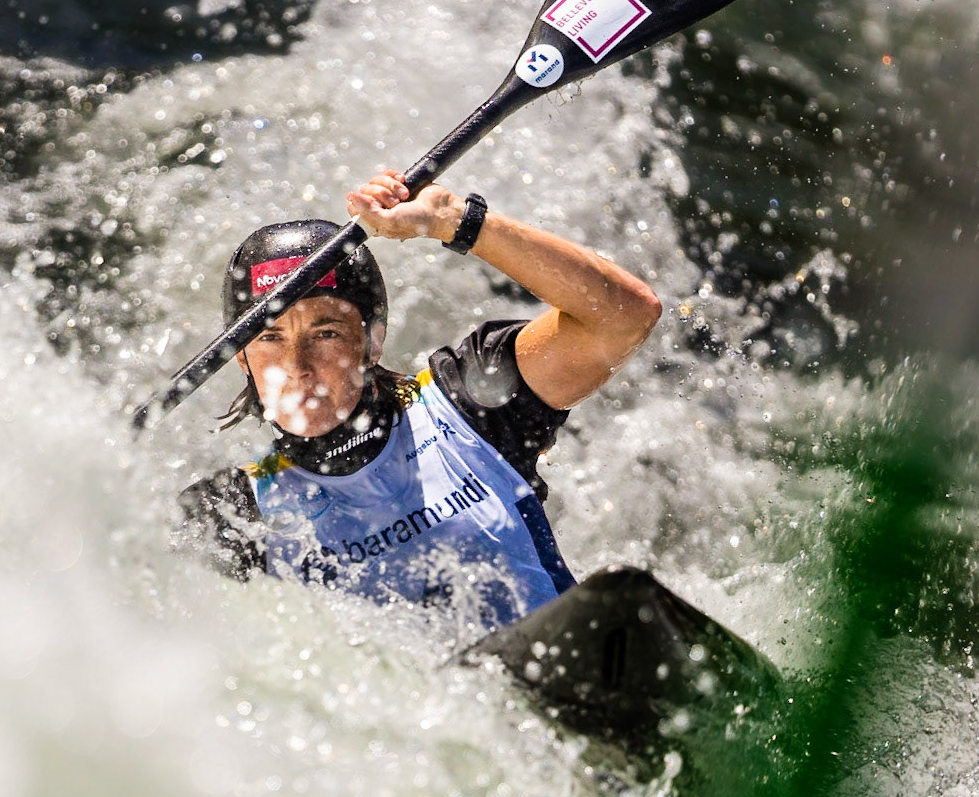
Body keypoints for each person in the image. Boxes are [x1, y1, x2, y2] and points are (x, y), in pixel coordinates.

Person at [178, 169, 662, 634]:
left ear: (372, 341)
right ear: (241, 357)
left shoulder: (470, 404)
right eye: (269, 338)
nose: (297, 366)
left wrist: (453, 218)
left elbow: (624, 317)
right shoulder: (231, 516)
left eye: (325, 332)